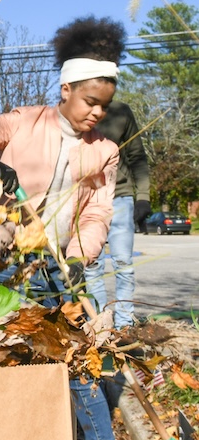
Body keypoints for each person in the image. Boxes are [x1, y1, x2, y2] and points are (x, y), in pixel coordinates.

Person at [0, 15, 125, 440]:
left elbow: (97, 212)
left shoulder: (104, 151)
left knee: (82, 372)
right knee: (4, 368)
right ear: (66, 90)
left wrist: (81, 254)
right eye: (89, 102)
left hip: (62, 273)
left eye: (104, 105)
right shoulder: (23, 122)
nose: (97, 113)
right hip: (7, 268)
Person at [85, 100, 151, 329]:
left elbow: (137, 156)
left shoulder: (120, 111)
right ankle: (99, 324)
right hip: (86, 199)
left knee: (123, 263)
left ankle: (124, 325)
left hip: (120, 197)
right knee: (91, 265)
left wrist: (143, 196)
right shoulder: (74, 111)